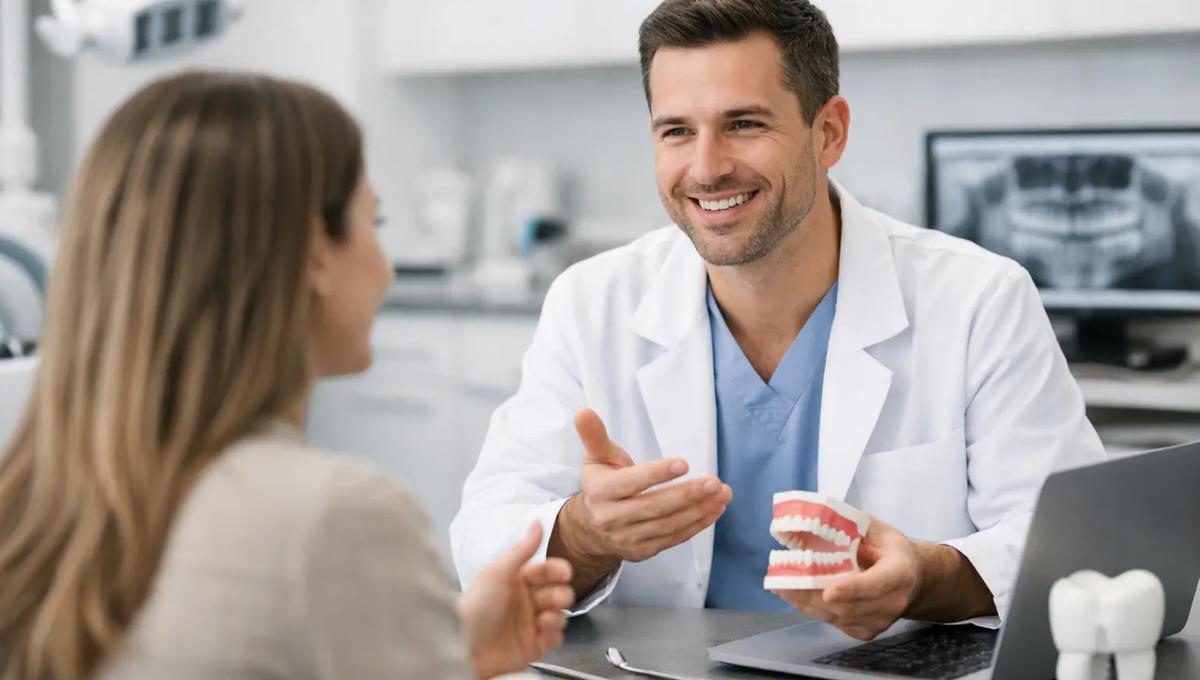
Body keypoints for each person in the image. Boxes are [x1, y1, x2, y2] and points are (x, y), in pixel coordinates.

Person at [451, 0, 1107, 641]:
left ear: (830, 132)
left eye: (743, 124)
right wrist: (587, 531)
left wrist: (925, 577)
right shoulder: (592, 302)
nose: (706, 168)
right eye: (677, 131)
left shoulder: (977, 299)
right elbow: (483, 543)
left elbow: (1075, 546)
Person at [0, 71, 572, 680]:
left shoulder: (32, 500)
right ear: (316, 254)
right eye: (374, 224)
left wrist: (446, 649)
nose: (386, 270)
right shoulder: (337, 518)